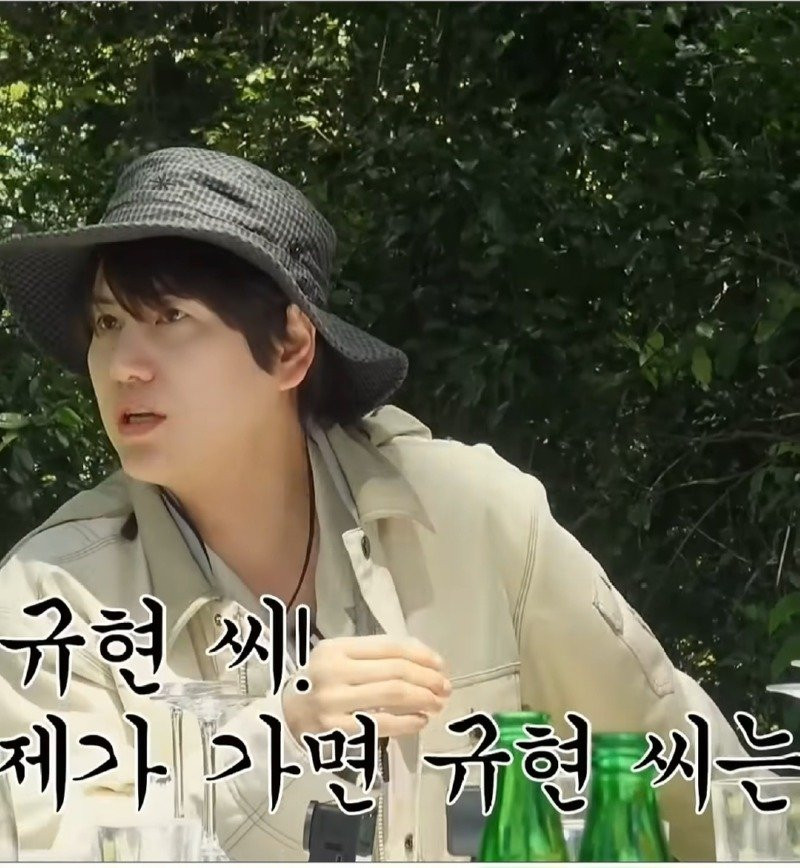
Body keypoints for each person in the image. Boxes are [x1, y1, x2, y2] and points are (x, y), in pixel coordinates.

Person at [0, 147, 745, 861]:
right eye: (108, 323)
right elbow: (57, 848)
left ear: (290, 349)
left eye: (170, 319)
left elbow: (687, 772)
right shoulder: (53, 598)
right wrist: (279, 739)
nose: (124, 366)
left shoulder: (468, 516)